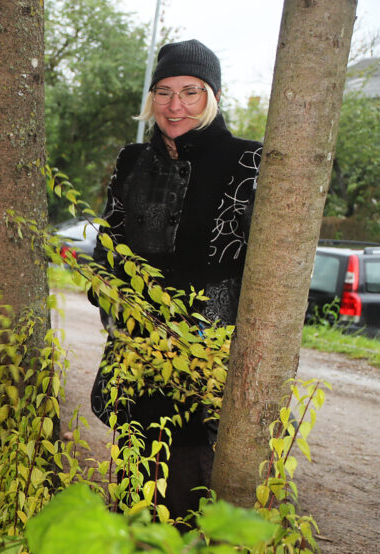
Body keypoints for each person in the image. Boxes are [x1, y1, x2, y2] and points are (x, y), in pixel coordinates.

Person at [89, 39, 263, 522]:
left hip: (205, 360)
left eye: (190, 91)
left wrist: (208, 334)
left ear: (213, 96)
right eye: (164, 92)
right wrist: (119, 309)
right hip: (136, 351)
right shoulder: (132, 161)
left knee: (189, 490)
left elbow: (260, 268)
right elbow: (108, 247)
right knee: (134, 488)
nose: (175, 105)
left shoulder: (248, 162)